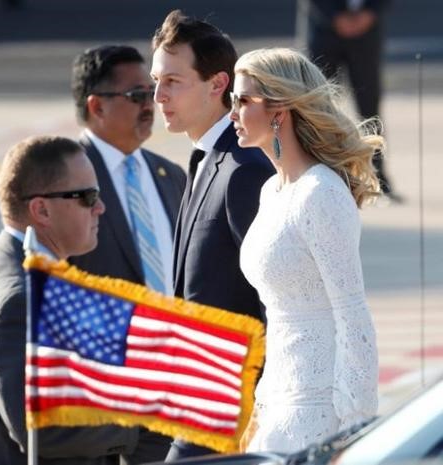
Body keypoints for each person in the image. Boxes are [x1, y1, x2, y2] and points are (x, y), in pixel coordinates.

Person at [0, 135, 140, 465]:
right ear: (41, 210)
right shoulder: (20, 299)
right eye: (88, 197)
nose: (100, 208)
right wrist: (139, 421)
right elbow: (42, 430)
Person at [230, 47, 379, 453]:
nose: (232, 114)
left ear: (279, 110)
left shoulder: (321, 194)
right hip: (275, 401)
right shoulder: (272, 191)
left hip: (319, 413)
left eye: (242, 101)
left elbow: (353, 315)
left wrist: (354, 429)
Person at [150, 10, 275, 460]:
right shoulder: (207, 158)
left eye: (173, 81)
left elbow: (274, 297)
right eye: (156, 81)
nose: (158, 96)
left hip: (230, 410)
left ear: (218, 84)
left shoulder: (244, 169)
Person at [68, 44, 186, 464]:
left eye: (151, 92)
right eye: (137, 95)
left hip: (170, 389)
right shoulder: (63, 180)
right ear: (97, 106)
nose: (151, 104)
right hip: (103, 397)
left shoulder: (170, 175)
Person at [299, 0, 401, 202]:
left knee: (369, 109)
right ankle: (316, 172)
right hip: (325, 31)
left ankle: (377, 177)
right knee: (318, 108)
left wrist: (370, 13)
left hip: (366, 33)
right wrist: (335, 16)